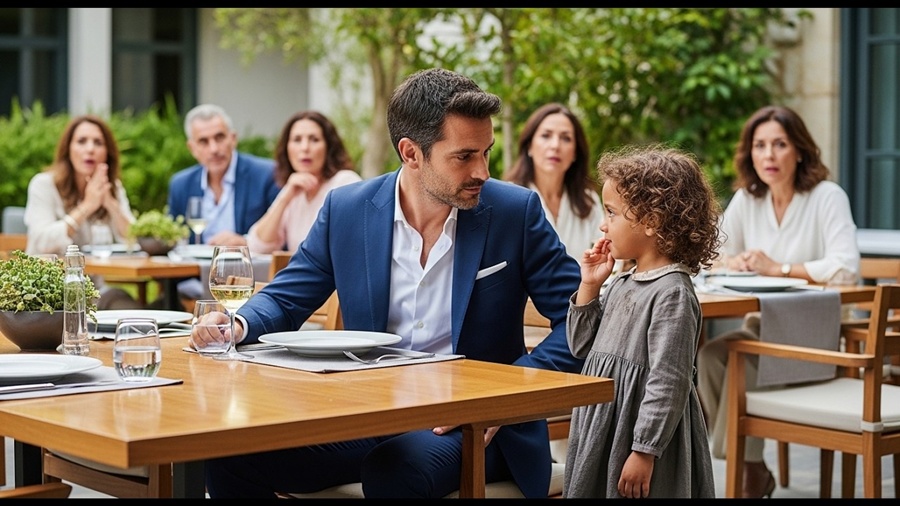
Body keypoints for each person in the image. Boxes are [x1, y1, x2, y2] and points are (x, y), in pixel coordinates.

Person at [193, 67, 584, 498]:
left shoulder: (516, 211)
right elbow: (288, 297)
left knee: (396, 469)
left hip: (474, 426)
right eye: (464, 156)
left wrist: (507, 394)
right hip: (369, 413)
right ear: (411, 153)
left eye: (486, 152)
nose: (482, 172)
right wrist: (237, 325)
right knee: (230, 451)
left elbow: (580, 322)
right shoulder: (347, 209)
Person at [695, 105, 860, 498]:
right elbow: (711, 249)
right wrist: (731, 259)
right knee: (709, 358)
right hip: (766, 327)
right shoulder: (748, 199)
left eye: (780, 145)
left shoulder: (826, 196)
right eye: (760, 145)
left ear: (799, 151)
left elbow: (846, 268)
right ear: (750, 154)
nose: (768, 155)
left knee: (735, 362)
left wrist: (779, 268)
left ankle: (747, 475)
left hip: (818, 331)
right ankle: (752, 465)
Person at [562, 145, 719, 498]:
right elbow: (582, 347)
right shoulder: (621, 281)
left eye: (612, 213)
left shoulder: (672, 293)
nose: (603, 224)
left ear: (651, 222)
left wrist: (644, 450)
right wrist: (590, 285)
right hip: (606, 425)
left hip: (640, 435)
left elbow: (669, 379)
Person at [23, 115, 140, 310]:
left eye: (98, 143)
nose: (90, 149)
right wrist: (87, 206)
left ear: (107, 154)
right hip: (48, 293)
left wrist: (110, 202)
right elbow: (42, 241)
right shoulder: (43, 185)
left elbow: (134, 240)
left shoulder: (113, 188)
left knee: (133, 311)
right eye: (81, 141)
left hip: (95, 292)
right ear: (68, 149)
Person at [166, 104, 280, 301]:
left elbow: (280, 236)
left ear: (233, 138)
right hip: (194, 282)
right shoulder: (181, 184)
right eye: (204, 141)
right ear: (192, 148)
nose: (214, 149)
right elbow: (173, 239)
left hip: (252, 282)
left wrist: (244, 241)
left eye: (219, 137)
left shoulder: (266, 175)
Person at [246, 110, 362, 254]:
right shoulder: (294, 190)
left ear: (329, 147)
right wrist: (285, 198)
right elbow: (257, 246)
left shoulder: (345, 182)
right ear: (287, 148)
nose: (305, 148)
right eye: (297, 140)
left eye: (314, 139)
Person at [504, 103, 602, 262]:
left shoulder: (589, 201)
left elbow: (612, 257)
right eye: (546, 135)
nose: (555, 145)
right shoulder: (508, 199)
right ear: (529, 146)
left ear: (575, 152)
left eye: (566, 138)